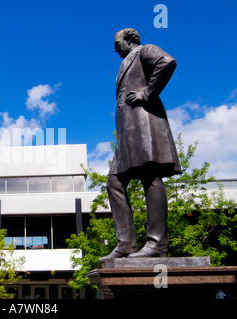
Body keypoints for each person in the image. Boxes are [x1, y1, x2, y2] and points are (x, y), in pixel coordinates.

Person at [99, 28, 181, 262]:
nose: (115, 49)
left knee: (150, 177)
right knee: (114, 181)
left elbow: (167, 62)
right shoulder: (125, 62)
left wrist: (147, 93)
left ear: (130, 39)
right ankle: (126, 243)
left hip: (144, 127)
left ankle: (157, 243)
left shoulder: (144, 50)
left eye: (117, 43)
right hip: (126, 134)